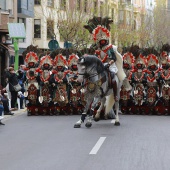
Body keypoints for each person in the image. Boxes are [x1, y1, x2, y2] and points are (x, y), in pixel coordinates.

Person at [84, 16, 126, 101]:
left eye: (103, 41)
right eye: (101, 41)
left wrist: (108, 64)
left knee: (113, 77)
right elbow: (95, 59)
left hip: (110, 66)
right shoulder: (97, 49)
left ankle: (115, 95)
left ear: (106, 41)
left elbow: (113, 58)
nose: (102, 42)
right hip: (100, 66)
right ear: (99, 42)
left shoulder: (109, 48)